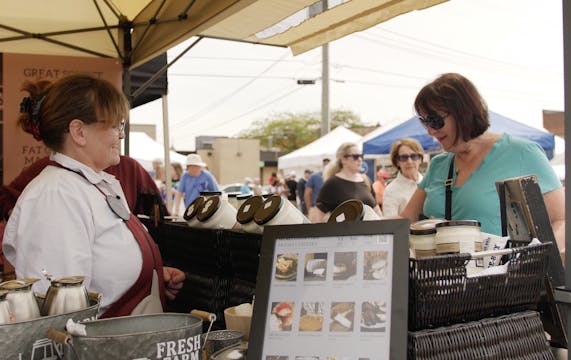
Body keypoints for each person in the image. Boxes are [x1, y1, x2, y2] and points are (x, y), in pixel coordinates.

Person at [3, 74, 185, 318]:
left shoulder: (92, 185)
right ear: (79, 132)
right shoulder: (56, 196)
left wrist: (151, 274)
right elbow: (60, 312)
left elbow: (104, 264)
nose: (121, 135)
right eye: (115, 125)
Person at [401, 73, 565, 253]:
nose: (430, 131)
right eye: (425, 122)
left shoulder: (522, 153)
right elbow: (405, 219)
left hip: (504, 278)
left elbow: (562, 219)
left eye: (435, 121)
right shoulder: (438, 165)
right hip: (442, 277)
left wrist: (539, 261)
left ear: (462, 113)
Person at [309, 143, 382, 222]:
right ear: (343, 159)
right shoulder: (333, 183)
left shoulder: (366, 180)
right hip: (344, 233)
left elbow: (376, 211)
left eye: (361, 156)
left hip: (370, 232)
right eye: (355, 156)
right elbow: (317, 214)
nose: (360, 159)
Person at [382, 138, 424, 216]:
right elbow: (390, 223)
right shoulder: (391, 191)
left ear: (420, 159)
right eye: (404, 157)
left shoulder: (429, 184)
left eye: (414, 156)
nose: (409, 161)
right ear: (397, 162)